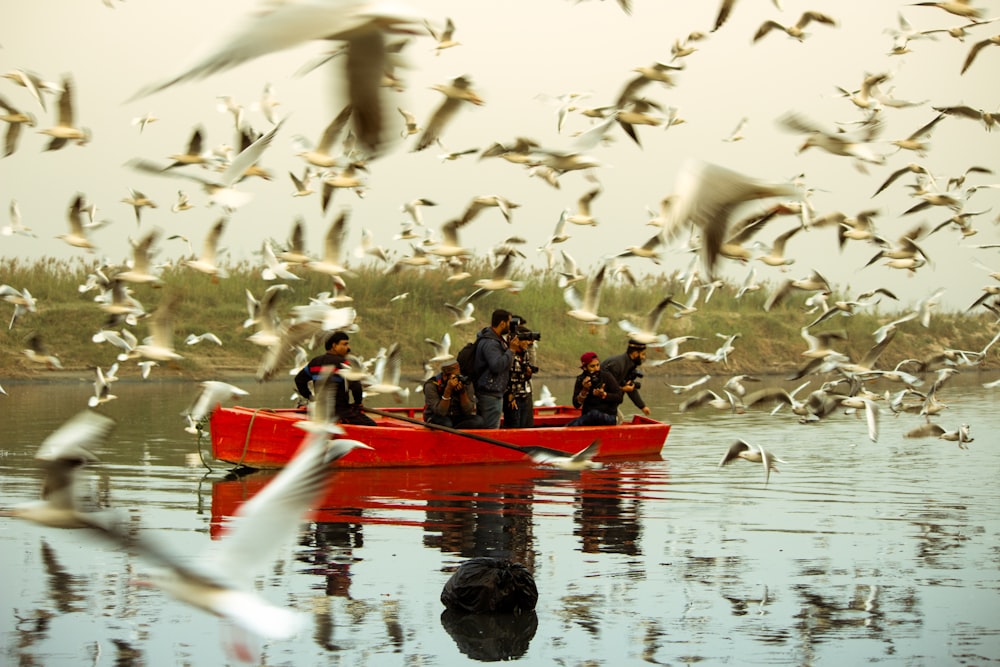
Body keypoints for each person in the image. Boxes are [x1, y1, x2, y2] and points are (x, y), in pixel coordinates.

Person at [294, 331, 376, 426]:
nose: (348, 348)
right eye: (345, 344)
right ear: (334, 345)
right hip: (340, 411)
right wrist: (358, 403)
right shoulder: (343, 364)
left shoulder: (315, 362)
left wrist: (311, 397)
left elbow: (299, 380)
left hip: (321, 410)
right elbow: (356, 386)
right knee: (372, 425)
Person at [473, 308, 513, 429]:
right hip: (490, 394)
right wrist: (511, 350)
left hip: (491, 393)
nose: (510, 326)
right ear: (502, 323)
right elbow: (497, 366)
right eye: (509, 322)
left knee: (487, 428)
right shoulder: (491, 343)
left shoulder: (495, 340)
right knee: (490, 431)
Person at [424, 360, 485, 429]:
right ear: (445, 376)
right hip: (436, 416)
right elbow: (441, 412)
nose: (457, 379)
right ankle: (454, 431)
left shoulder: (465, 383)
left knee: (479, 421)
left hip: (457, 416)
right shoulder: (432, 385)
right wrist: (448, 390)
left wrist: (462, 392)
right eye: (454, 377)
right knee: (446, 424)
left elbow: (468, 411)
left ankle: (455, 432)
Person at [567, 352, 623, 427]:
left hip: (608, 417)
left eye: (597, 365)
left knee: (594, 414)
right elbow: (576, 404)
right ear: (585, 368)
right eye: (592, 366)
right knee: (592, 414)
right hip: (589, 417)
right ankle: (565, 429)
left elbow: (619, 397)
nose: (596, 369)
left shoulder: (606, 376)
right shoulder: (581, 380)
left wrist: (604, 395)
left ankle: (565, 429)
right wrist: (584, 390)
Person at [601, 340, 651, 417]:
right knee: (618, 419)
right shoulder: (617, 365)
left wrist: (642, 407)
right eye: (643, 354)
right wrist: (623, 389)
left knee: (620, 418)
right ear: (635, 354)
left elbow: (630, 387)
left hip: (610, 406)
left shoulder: (630, 365)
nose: (644, 357)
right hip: (599, 405)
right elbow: (605, 388)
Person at [502, 326, 535, 429]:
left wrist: (528, 374)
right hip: (512, 397)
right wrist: (510, 395)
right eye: (525, 339)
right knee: (514, 425)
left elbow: (522, 376)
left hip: (524, 394)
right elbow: (504, 375)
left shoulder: (525, 354)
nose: (528, 343)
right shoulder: (508, 354)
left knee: (526, 426)